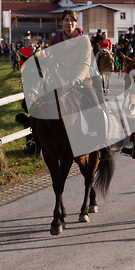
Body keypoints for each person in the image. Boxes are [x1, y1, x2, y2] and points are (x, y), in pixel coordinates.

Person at [30, 10, 110, 160]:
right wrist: (44, 65)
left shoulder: (84, 40)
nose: (69, 23)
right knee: (39, 104)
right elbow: (52, 62)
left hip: (82, 81)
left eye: (72, 20)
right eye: (66, 20)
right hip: (61, 82)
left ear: (76, 22)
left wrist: (76, 79)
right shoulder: (55, 40)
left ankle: (103, 143)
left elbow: (85, 63)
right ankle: (35, 142)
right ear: (61, 22)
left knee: (97, 107)